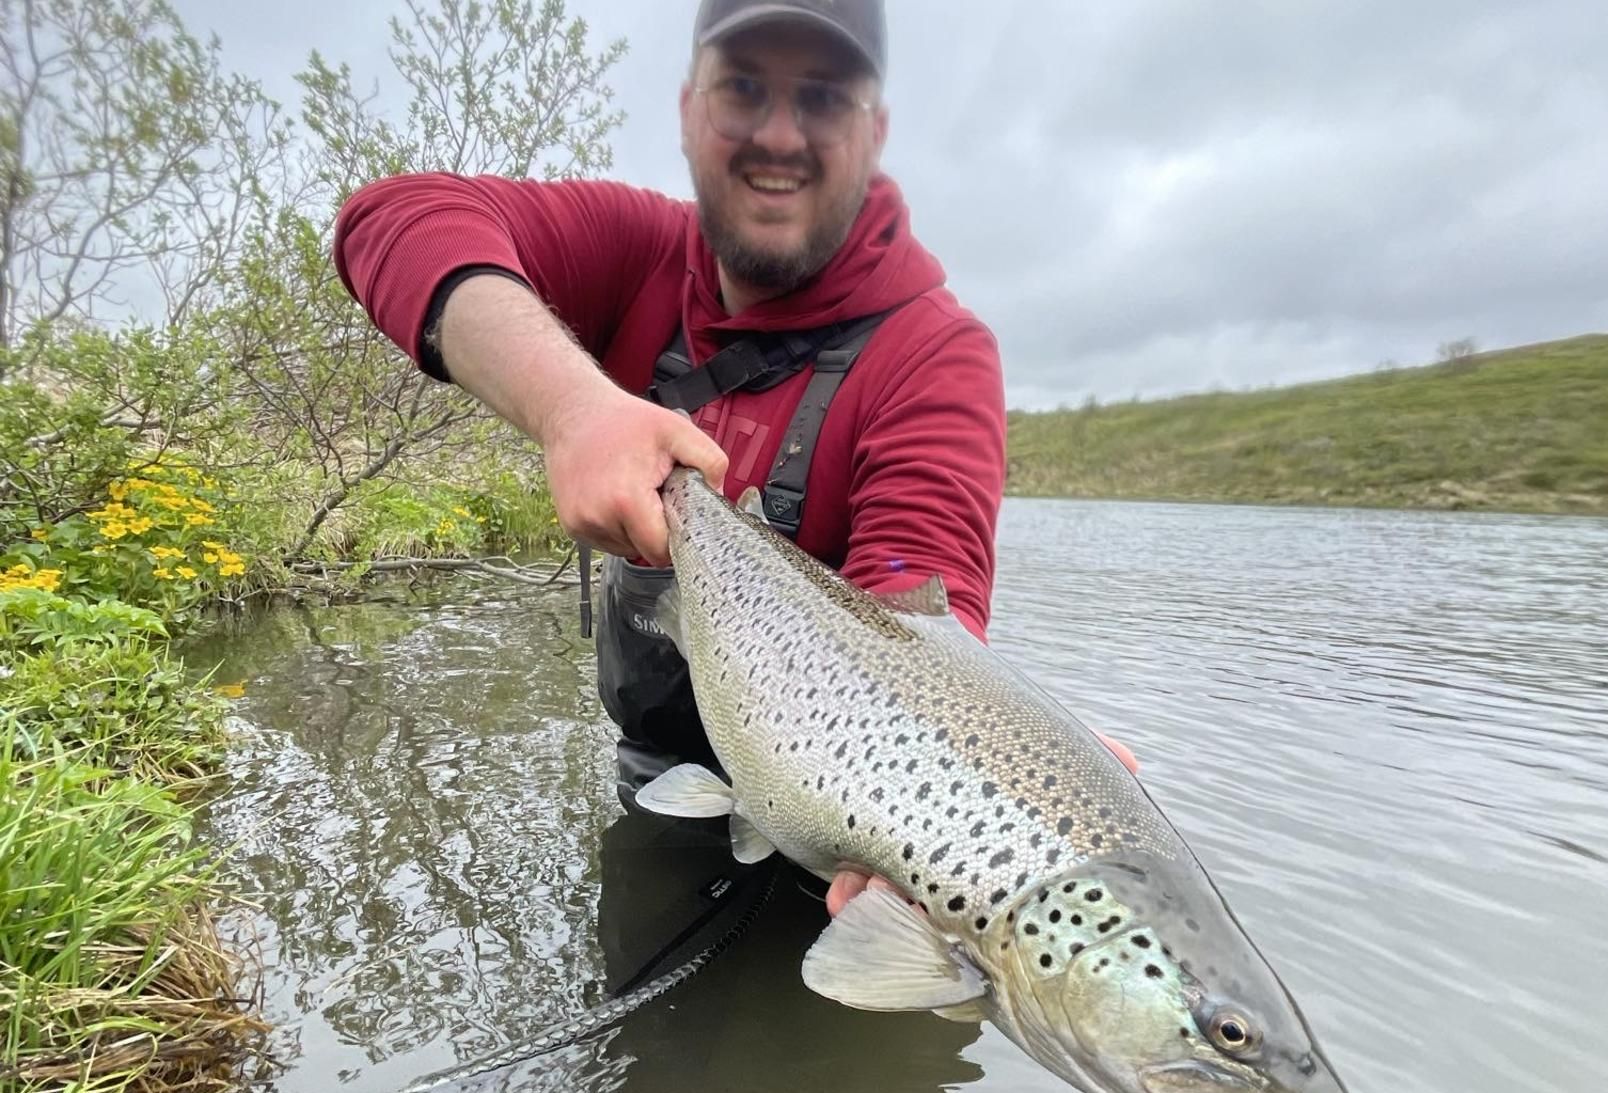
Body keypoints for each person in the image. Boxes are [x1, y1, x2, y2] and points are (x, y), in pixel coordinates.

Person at [333, 0, 1135, 920]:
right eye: (743, 88)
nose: (780, 136)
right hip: (661, 784)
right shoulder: (641, 251)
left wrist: (1007, 783)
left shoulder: (935, 353)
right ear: (686, 112)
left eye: (824, 98)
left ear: (875, 131)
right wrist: (573, 407)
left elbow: (919, 596)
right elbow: (390, 219)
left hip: (852, 844)